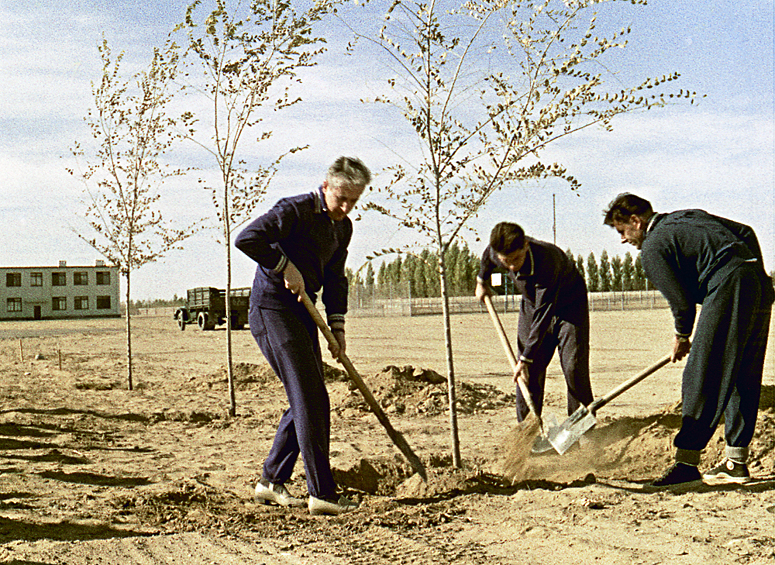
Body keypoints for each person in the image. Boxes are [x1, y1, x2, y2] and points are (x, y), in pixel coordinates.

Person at [604, 193, 774, 487]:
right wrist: (755, 274)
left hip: (728, 282)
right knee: (742, 372)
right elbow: (746, 232)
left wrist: (682, 336)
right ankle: (736, 462)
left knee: (701, 373)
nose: (622, 239)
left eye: (622, 231)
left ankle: (686, 464)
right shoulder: (687, 215)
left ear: (636, 221)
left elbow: (681, 303)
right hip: (757, 282)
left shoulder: (653, 247)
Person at [235, 156, 371, 515]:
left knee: (308, 398)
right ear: (326, 186)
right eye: (341, 197)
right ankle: (322, 493)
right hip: (272, 309)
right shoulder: (294, 211)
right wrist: (283, 265)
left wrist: (338, 326)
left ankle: (270, 481)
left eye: (353, 201)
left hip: (303, 312)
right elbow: (248, 238)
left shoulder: (342, 229)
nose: (345, 207)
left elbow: (336, 279)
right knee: (311, 398)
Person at [475, 222, 594, 450]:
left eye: (516, 260)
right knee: (526, 376)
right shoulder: (496, 251)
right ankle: (529, 436)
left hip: (569, 307)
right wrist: (482, 281)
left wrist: (526, 356)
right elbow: (488, 258)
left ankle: (579, 431)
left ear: (526, 246)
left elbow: (544, 313)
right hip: (532, 306)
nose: (510, 267)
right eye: (505, 261)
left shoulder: (548, 260)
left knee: (573, 367)